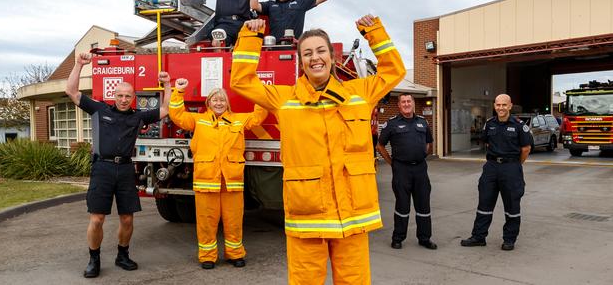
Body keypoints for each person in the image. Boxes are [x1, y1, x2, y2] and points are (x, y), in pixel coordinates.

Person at [230, 15, 405, 284]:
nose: (315, 57)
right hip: (307, 218)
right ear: (301, 62)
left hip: (353, 217)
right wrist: (251, 38)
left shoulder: (360, 93)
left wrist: (374, 32)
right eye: (308, 53)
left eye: (321, 51)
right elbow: (241, 81)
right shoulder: (284, 99)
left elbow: (394, 71)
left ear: (333, 58)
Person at [65, 52, 171, 278]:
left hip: (124, 169)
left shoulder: (138, 117)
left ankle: (122, 255)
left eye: (128, 96)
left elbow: (165, 110)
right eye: (120, 95)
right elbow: (71, 92)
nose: (124, 99)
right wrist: (79, 65)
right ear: (114, 95)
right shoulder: (99, 109)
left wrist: (168, 85)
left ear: (133, 97)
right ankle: (94, 259)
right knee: (97, 219)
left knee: (127, 218)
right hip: (102, 168)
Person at [168, 78, 268, 270]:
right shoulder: (199, 120)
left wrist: (259, 92)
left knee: (234, 220)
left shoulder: (238, 119)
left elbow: (258, 116)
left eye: (222, 100)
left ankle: (235, 254)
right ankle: (207, 256)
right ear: (208, 103)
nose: (219, 103)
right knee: (206, 220)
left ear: (227, 103)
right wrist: (178, 91)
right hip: (207, 181)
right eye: (215, 99)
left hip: (231, 181)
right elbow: (177, 115)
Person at [460, 94, 532, 251]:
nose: (501, 108)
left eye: (504, 105)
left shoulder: (520, 125)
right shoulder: (489, 124)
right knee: (484, 203)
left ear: (510, 106)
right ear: (494, 106)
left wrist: (513, 165)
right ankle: (479, 237)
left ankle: (509, 239)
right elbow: (486, 142)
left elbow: (526, 149)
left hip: (511, 168)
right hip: (491, 168)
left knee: (512, 206)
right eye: (498, 105)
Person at [376, 93, 437, 251]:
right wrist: (392, 163)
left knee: (423, 205)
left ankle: (424, 238)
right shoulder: (392, 123)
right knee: (402, 205)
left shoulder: (423, 122)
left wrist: (421, 155)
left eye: (409, 101)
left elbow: (429, 144)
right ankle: (398, 238)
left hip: (420, 169)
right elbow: (380, 146)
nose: (406, 104)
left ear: (413, 103)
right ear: (399, 105)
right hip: (401, 170)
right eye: (403, 101)